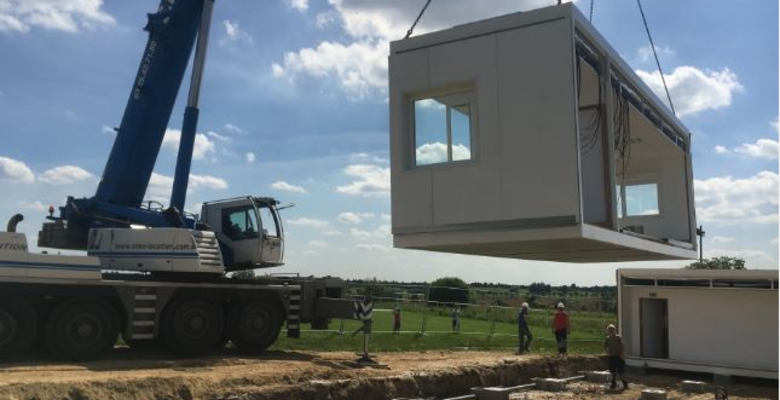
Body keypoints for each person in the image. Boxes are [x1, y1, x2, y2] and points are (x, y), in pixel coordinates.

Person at [604, 324, 629, 390]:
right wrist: (607, 351)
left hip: (618, 357)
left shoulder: (618, 337)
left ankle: (625, 384)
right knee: (612, 372)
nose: (611, 331)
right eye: (609, 330)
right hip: (611, 357)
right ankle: (613, 384)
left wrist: (622, 354)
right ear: (608, 331)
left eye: (612, 329)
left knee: (621, 372)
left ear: (615, 330)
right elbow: (605, 347)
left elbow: (622, 346)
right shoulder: (607, 338)